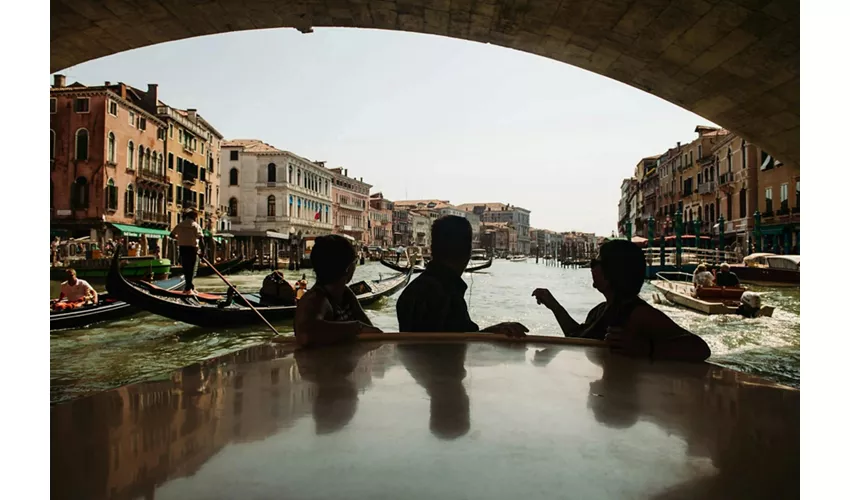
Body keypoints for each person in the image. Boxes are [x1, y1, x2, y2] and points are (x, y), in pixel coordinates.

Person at [531, 240, 710, 362]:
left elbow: (700, 348)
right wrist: (554, 306)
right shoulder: (600, 310)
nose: (591, 266)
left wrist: (647, 349)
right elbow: (576, 337)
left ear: (612, 271)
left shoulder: (638, 313)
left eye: (596, 262)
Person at [396, 215, 528, 336]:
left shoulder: (409, 292)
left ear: (432, 247)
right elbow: (455, 345)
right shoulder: (448, 294)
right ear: (468, 250)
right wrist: (499, 330)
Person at [294, 234, 382, 347]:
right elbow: (305, 335)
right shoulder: (316, 299)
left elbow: (370, 329)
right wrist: (356, 327)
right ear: (349, 268)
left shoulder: (345, 294)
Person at [170, 210, 205, 294]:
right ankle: (188, 289)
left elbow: (171, 235)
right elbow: (201, 239)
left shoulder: (180, 225)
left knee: (186, 269)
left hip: (182, 248)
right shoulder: (195, 226)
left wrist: (180, 239)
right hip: (192, 249)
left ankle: (190, 287)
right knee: (192, 269)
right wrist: (203, 252)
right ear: (194, 217)